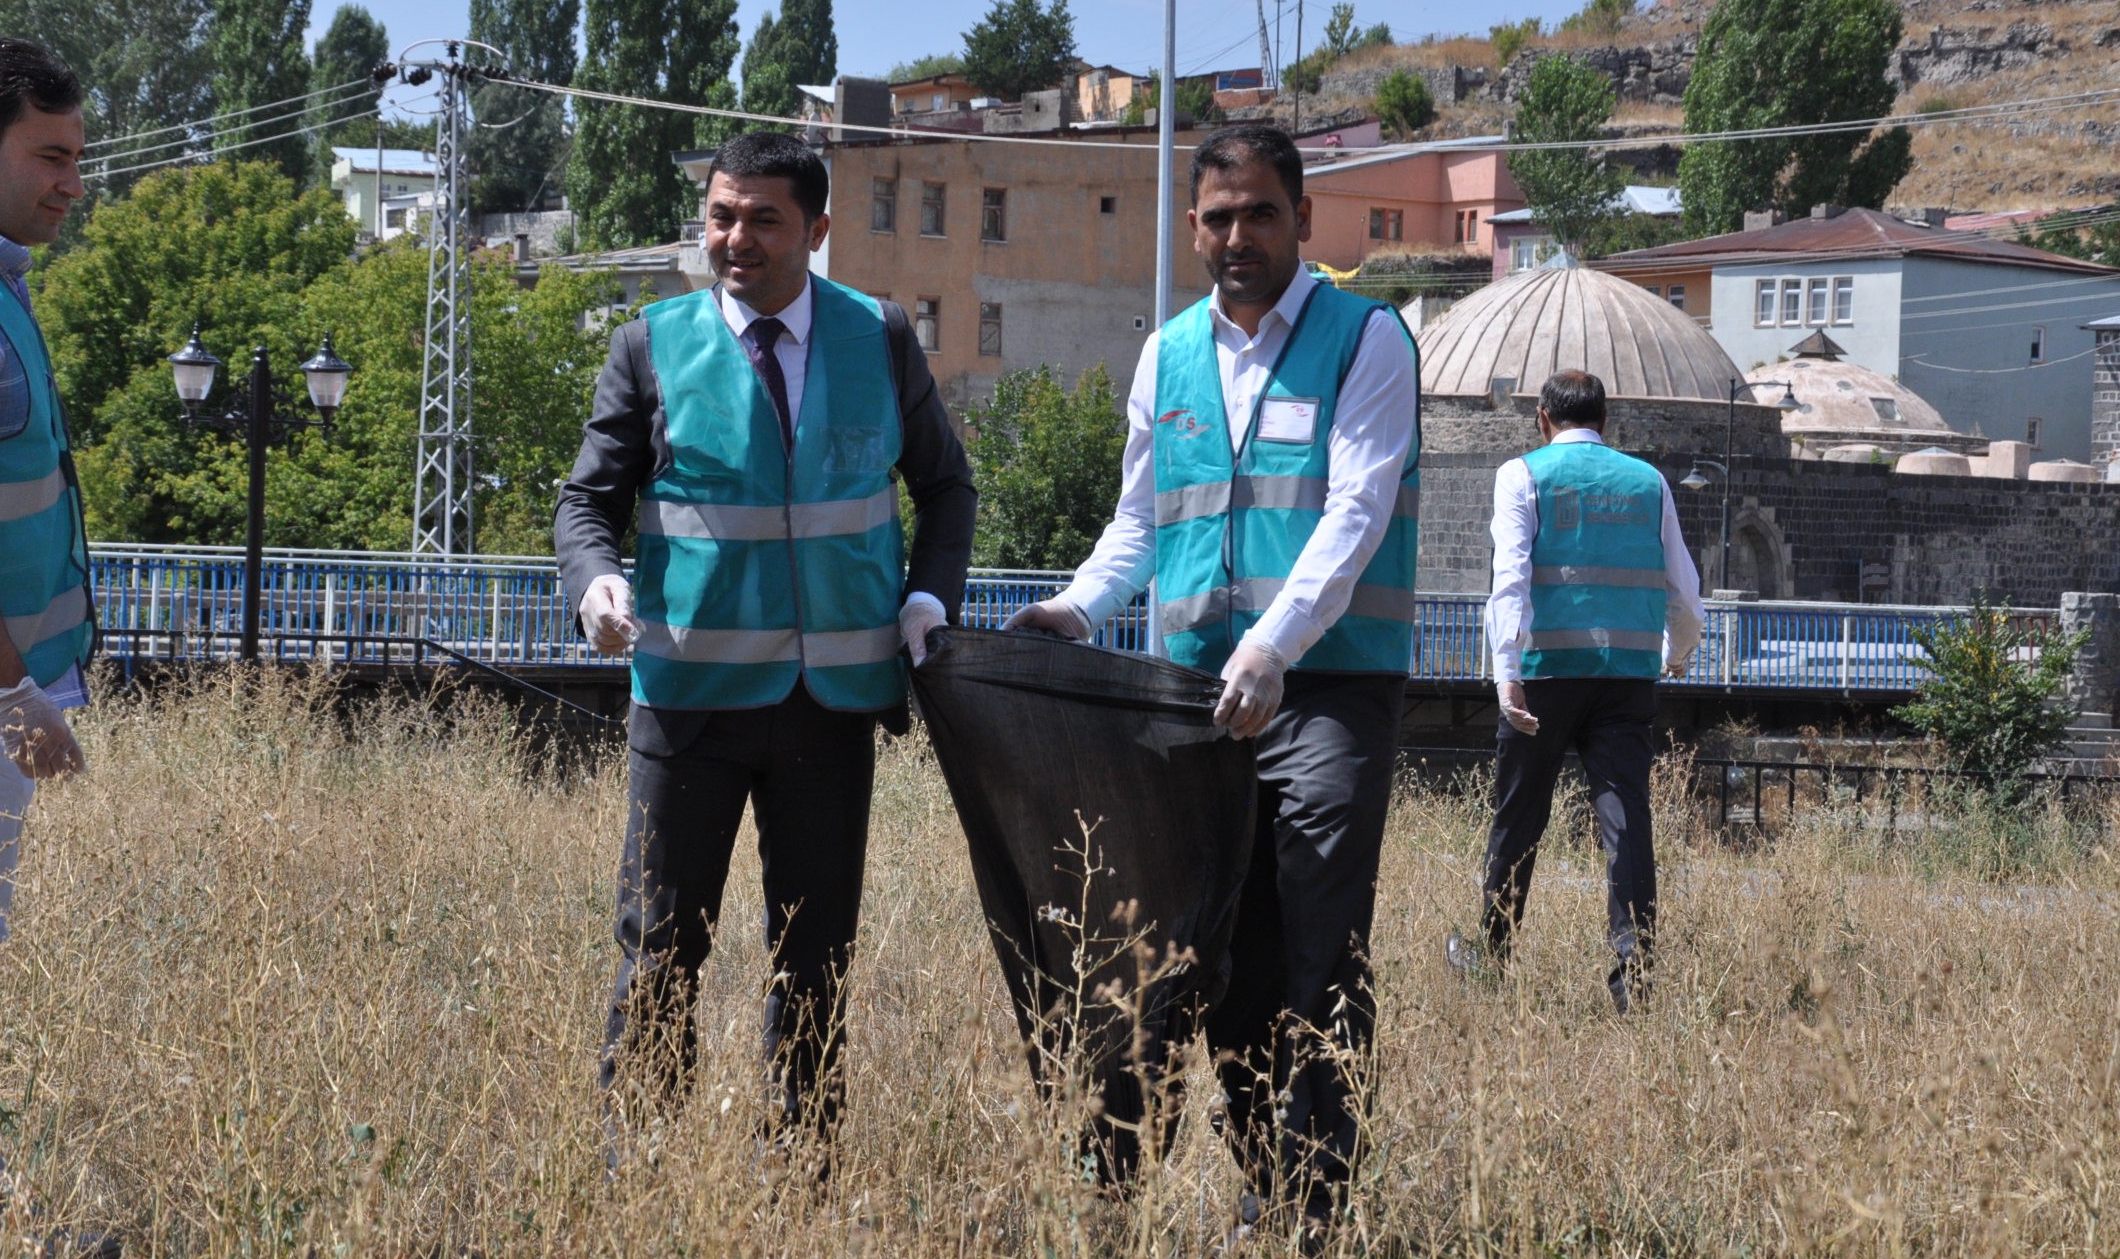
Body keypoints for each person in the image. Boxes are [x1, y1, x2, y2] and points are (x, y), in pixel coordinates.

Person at [1009, 124, 1419, 1240]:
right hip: (1192, 696)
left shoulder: (1365, 342)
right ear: (1191, 227)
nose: (1237, 235)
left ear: (1302, 221)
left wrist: (1274, 645)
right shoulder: (1167, 356)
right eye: (1217, 217)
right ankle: (1264, 1182)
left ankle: (1319, 1205)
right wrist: (1076, 608)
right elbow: (1139, 520)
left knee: (1315, 939)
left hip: (1325, 687)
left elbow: (1352, 514)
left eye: (1260, 214)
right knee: (1218, 949)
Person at [554, 132, 975, 1156]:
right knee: (659, 948)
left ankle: (803, 1177)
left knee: (815, 957)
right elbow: (584, 505)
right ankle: (638, 1167)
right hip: (688, 704)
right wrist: (595, 583)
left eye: (762, 219)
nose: (734, 238)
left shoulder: (876, 337)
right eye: (720, 216)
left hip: (828, 706)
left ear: (817, 230)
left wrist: (927, 598)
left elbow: (946, 487)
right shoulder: (651, 343)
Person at [0, 37, 114, 1256]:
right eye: (49, 155)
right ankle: (0, 1204)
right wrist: (8, 685)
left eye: (80, 154)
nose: (73, 179)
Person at [1446, 370, 1704, 1012]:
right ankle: (1634, 972)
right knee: (1625, 819)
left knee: (1520, 814)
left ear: (1541, 418)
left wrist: (1505, 672)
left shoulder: (1522, 475)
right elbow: (1686, 590)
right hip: (1627, 679)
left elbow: (1508, 582)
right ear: (1606, 421)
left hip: (1544, 676)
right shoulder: (1650, 483)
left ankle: (1493, 955)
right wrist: (1677, 654)